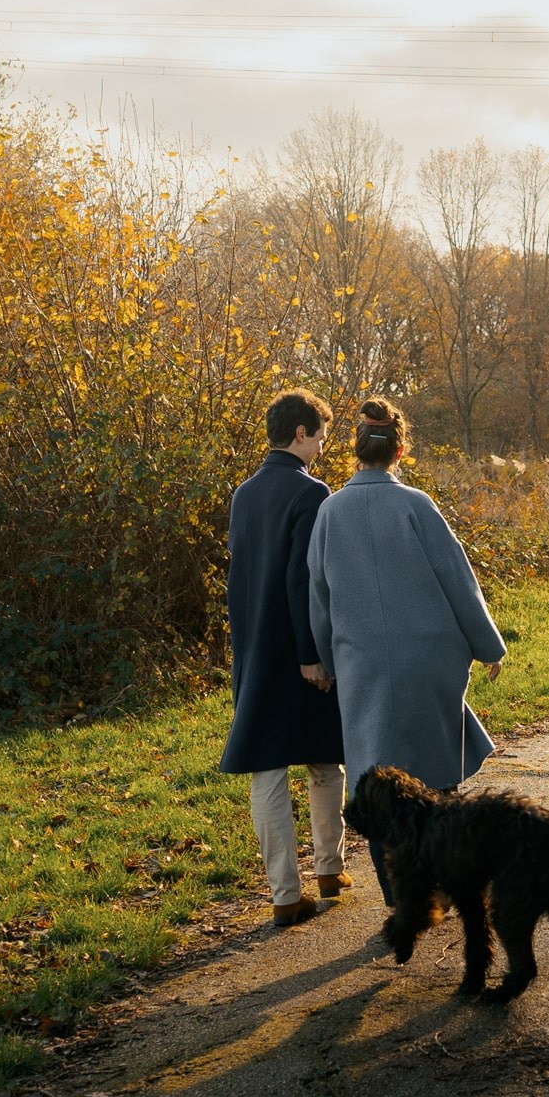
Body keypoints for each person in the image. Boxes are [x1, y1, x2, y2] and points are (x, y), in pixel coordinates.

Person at [307, 398, 507, 823]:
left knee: (376, 785)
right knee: (436, 780)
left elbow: (319, 598)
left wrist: (327, 661)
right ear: (400, 451)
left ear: (356, 450)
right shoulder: (417, 505)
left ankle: (395, 885)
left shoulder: (329, 512)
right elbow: (458, 581)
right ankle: (448, 874)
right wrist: (488, 646)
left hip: (363, 666)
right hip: (428, 660)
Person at [219, 388, 349, 928]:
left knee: (268, 770)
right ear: (301, 433)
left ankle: (286, 892)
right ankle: (328, 868)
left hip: (253, 647)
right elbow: (305, 581)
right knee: (325, 759)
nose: (322, 445)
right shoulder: (311, 493)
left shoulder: (243, 494)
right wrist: (312, 655)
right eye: (320, 434)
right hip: (297, 648)